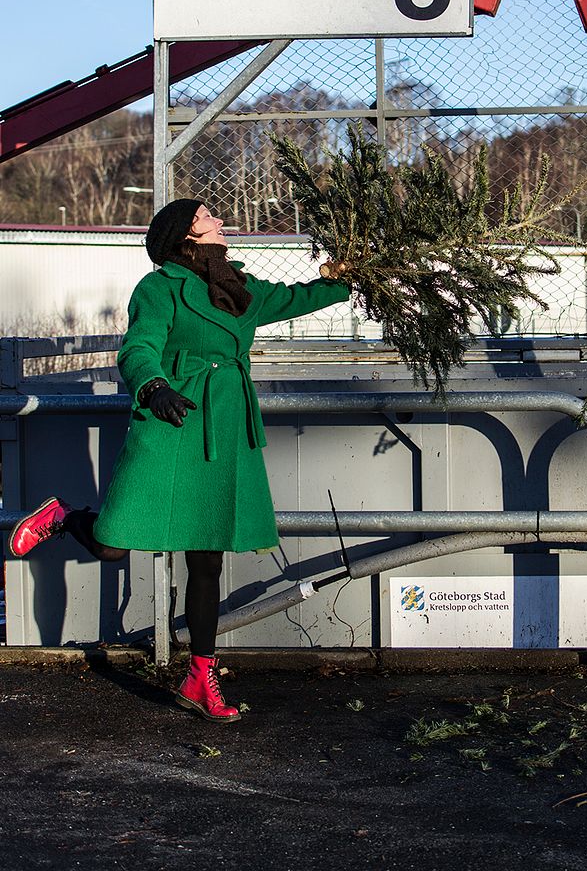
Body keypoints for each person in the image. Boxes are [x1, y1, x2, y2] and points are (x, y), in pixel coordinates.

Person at [9, 198, 350, 723]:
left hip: (223, 425)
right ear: (186, 236)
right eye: (209, 217)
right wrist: (154, 386)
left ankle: (201, 675)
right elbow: (137, 348)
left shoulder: (239, 288)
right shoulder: (159, 288)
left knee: (207, 559)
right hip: (170, 420)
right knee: (111, 545)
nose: (221, 221)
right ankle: (64, 517)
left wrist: (342, 278)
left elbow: (295, 299)